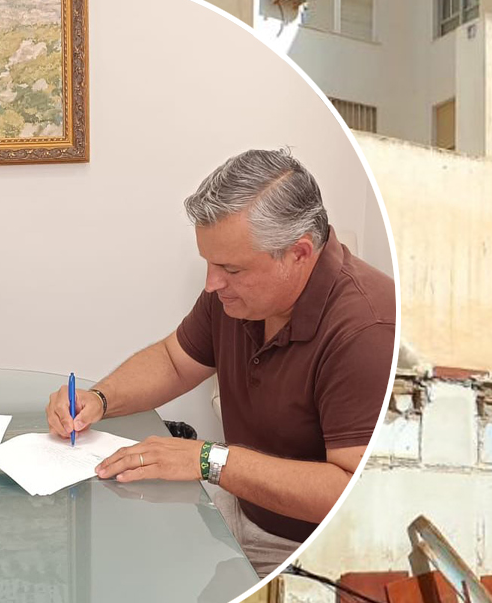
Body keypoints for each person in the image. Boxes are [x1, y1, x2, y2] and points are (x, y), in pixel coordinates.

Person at [45, 148, 395, 576]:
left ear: (300, 253)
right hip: (242, 509)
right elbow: (174, 361)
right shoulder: (237, 297)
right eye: (209, 263)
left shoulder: (367, 329)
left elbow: (352, 489)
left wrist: (209, 459)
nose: (212, 284)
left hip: (317, 549)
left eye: (231, 268)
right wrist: (99, 398)